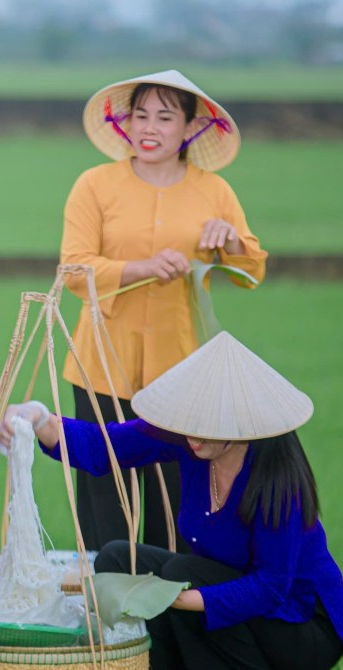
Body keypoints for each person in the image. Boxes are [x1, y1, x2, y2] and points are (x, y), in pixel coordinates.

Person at [0, 332, 343, 670]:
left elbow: (271, 587)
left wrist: (178, 599)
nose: (193, 437)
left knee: (182, 577)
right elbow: (105, 447)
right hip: (233, 598)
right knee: (117, 557)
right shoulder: (190, 437)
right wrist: (39, 418)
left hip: (298, 627)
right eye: (190, 425)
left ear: (242, 425)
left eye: (207, 429)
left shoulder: (277, 481)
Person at [62, 70, 268, 553]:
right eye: (140, 115)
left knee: (173, 509)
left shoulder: (213, 192)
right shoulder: (95, 185)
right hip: (100, 369)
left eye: (164, 116)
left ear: (190, 128)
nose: (149, 127)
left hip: (181, 374)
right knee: (103, 506)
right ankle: (107, 620)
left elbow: (253, 270)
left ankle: (168, 620)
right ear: (124, 124)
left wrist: (231, 241)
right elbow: (73, 271)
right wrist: (141, 268)